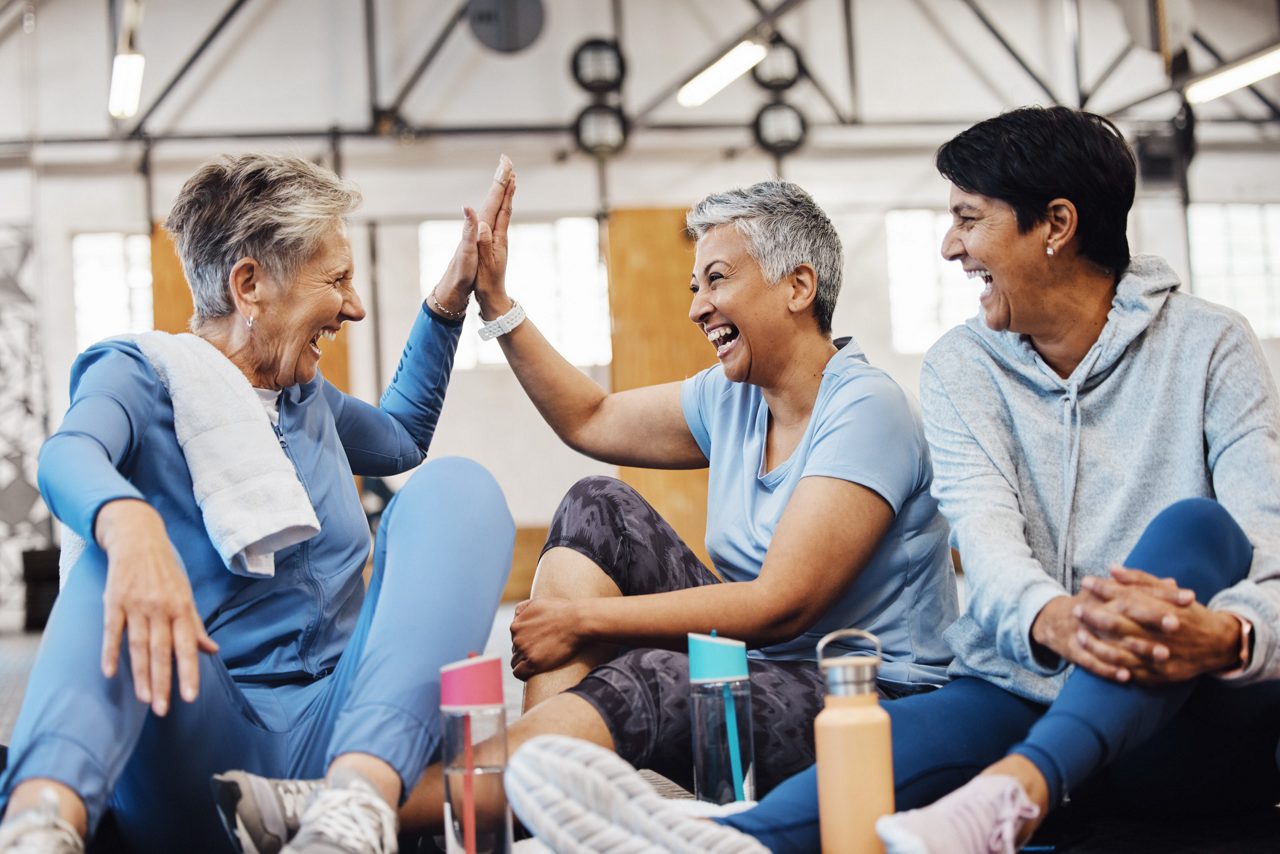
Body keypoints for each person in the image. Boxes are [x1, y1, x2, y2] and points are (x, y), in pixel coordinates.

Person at [501, 106, 1280, 854]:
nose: (949, 246)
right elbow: (990, 546)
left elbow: (1269, 553)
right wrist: (1053, 620)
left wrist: (1229, 633)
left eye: (968, 219)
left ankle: (1020, 787)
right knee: (870, 752)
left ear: (1057, 225)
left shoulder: (1210, 347)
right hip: (1022, 683)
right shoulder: (962, 366)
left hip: (1184, 702)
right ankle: (721, 840)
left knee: (1197, 528)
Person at [222, 175, 959, 849]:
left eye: (717, 280)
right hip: (759, 670)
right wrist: (497, 305)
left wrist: (586, 622)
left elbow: (780, 606)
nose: (697, 305)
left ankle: (349, 806)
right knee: (596, 504)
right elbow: (592, 417)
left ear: (799, 286)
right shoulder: (731, 396)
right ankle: (539, 815)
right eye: (695, 283)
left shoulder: (866, 411)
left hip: (863, 702)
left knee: (649, 679)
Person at [0, 154, 517, 854]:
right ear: (251, 283)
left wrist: (451, 298)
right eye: (336, 280)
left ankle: (355, 811)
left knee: (461, 488)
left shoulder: (308, 400)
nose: (355, 306)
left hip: (348, 736)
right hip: (200, 746)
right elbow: (67, 454)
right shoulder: (144, 376)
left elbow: (400, 441)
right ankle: (39, 826)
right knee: (105, 561)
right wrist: (130, 523)